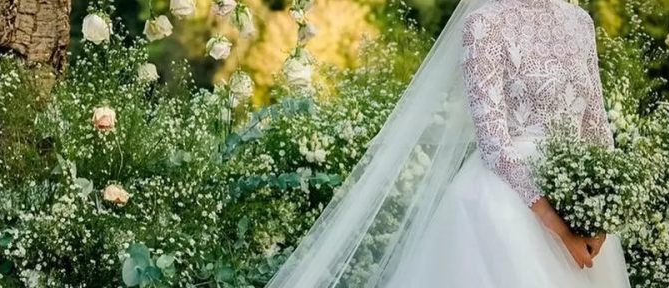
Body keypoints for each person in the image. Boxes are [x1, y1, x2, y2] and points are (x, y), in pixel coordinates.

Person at [265, 0, 632, 287]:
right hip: (506, 203)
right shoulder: (484, 25)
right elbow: (494, 143)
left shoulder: (580, 23)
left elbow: (597, 127)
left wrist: (598, 221)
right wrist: (560, 228)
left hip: (581, 201)